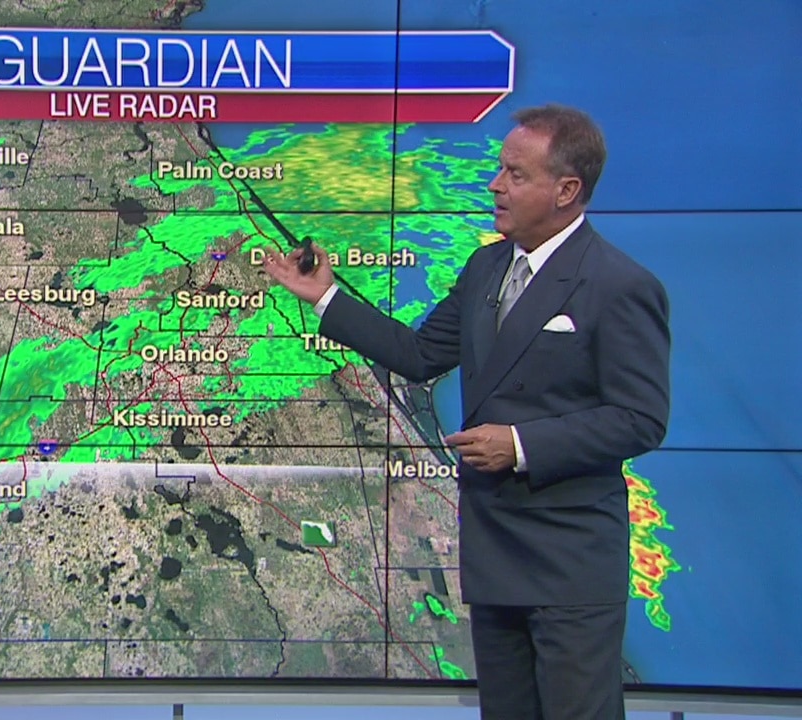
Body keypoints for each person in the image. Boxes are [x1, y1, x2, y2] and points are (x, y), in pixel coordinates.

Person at [263, 104, 671, 720]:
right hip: (495, 551)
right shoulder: (487, 266)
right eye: (500, 169)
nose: (495, 185)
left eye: (516, 174)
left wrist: (521, 444)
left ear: (566, 190)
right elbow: (420, 354)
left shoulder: (618, 285)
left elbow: (640, 418)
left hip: (569, 562)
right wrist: (326, 296)